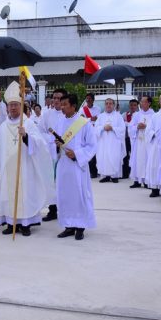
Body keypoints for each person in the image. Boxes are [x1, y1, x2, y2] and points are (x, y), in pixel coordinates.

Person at [0, 82, 52, 237]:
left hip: (25, 167)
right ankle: (11, 223)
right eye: (10, 105)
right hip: (7, 168)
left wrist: (26, 136)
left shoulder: (28, 123)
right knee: (8, 195)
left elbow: (40, 144)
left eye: (16, 105)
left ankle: (25, 224)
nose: (13, 108)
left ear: (21, 106)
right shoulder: (4, 126)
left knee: (25, 195)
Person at [54, 94, 97, 241]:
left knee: (78, 195)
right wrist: (56, 145)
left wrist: (77, 154)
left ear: (73, 106)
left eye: (65, 104)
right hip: (64, 164)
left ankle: (80, 227)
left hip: (77, 166)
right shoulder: (59, 122)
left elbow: (92, 146)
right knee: (65, 195)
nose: (62, 107)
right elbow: (57, 143)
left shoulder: (84, 123)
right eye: (61, 104)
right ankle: (68, 225)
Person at [37, 89, 66, 222]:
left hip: (66, 153)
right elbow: (39, 132)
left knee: (64, 181)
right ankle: (53, 209)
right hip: (51, 153)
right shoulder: (47, 114)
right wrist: (51, 140)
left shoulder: (69, 114)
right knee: (51, 181)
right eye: (54, 98)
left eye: (59, 98)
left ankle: (66, 209)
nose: (56, 101)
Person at [95, 98, 126, 183]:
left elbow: (122, 129)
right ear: (104, 105)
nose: (108, 105)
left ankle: (114, 176)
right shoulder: (100, 116)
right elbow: (96, 128)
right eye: (107, 103)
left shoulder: (118, 116)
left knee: (114, 157)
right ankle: (105, 176)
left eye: (110, 104)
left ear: (114, 105)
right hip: (103, 142)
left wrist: (113, 128)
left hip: (114, 142)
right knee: (103, 157)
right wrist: (103, 127)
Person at [128, 96, 155, 188]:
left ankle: (147, 181)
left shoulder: (153, 115)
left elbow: (155, 128)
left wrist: (146, 126)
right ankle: (137, 181)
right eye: (141, 101)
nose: (141, 103)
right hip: (138, 142)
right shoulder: (137, 115)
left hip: (148, 143)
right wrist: (137, 127)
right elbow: (130, 127)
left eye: (143, 101)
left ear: (149, 103)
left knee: (147, 160)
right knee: (137, 160)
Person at [80, 93, 100, 178]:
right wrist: (90, 119)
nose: (88, 100)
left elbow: (99, 118)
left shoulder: (97, 108)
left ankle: (95, 171)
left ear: (93, 100)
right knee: (88, 150)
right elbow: (81, 119)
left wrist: (89, 119)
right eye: (87, 98)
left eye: (89, 99)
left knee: (95, 151)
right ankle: (90, 171)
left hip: (95, 131)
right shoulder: (82, 109)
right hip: (87, 131)